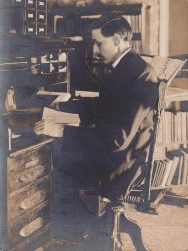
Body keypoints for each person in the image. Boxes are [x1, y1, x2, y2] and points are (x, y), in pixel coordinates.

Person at [34, 14, 159, 202]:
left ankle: (71, 225)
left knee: (49, 160)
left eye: (98, 43)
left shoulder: (140, 72)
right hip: (118, 155)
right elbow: (105, 107)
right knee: (54, 152)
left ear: (116, 39)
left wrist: (61, 130)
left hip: (120, 165)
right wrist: (63, 107)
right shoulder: (127, 66)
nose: (95, 49)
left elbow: (117, 138)